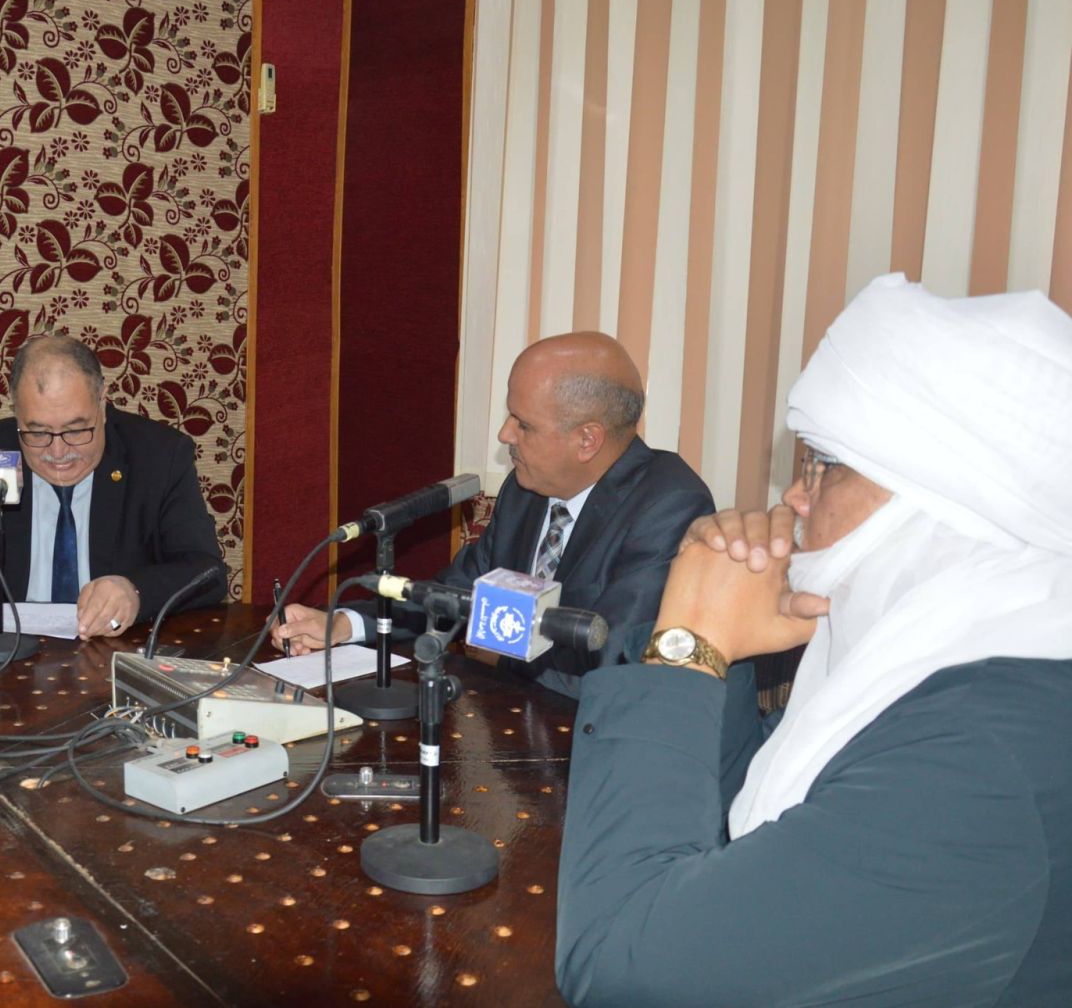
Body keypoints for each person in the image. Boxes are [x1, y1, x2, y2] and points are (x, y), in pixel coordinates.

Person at [555, 274, 1072, 1005]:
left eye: (823, 466)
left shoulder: (981, 753)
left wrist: (688, 641)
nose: (795, 498)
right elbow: (733, 821)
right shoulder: (949, 659)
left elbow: (618, 965)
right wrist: (723, 653)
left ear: (938, 503)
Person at [273, 332, 713, 697]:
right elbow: (454, 596)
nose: (505, 434)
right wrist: (344, 624)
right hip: (510, 720)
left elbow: (608, 656)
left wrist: (497, 651)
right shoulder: (527, 490)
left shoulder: (668, 506)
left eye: (523, 423)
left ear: (587, 440)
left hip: (588, 741)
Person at [0, 334, 226, 640]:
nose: (58, 452)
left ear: (103, 402)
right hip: (4, 662)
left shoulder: (159, 456)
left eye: (76, 430)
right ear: (16, 411)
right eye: (38, 432)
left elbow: (207, 572)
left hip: (115, 657)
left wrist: (135, 591)